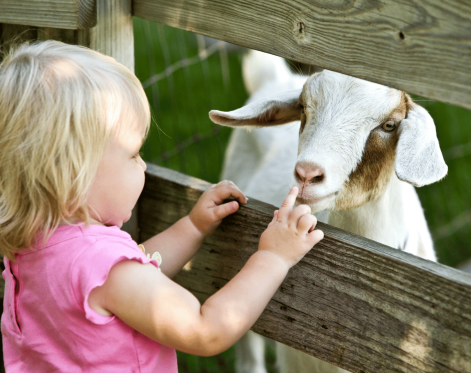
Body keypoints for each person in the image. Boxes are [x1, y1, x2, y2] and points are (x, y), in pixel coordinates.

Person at [0, 40, 324, 372]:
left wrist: (192, 227)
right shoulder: (104, 269)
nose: (143, 166)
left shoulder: (35, 247)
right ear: (73, 172)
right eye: (133, 154)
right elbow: (205, 330)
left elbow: (136, 274)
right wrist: (273, 257)